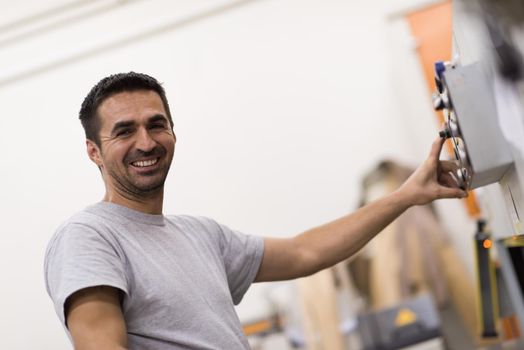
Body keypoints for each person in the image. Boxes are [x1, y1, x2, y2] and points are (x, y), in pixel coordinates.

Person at [44, 72, 467, 350]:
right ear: (93, 152)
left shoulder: (200, 235)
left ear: (173, 131)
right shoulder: (88, 236)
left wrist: (405, 195)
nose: (146, 142)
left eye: (156, 124)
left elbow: (306, 253)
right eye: (124, 131)